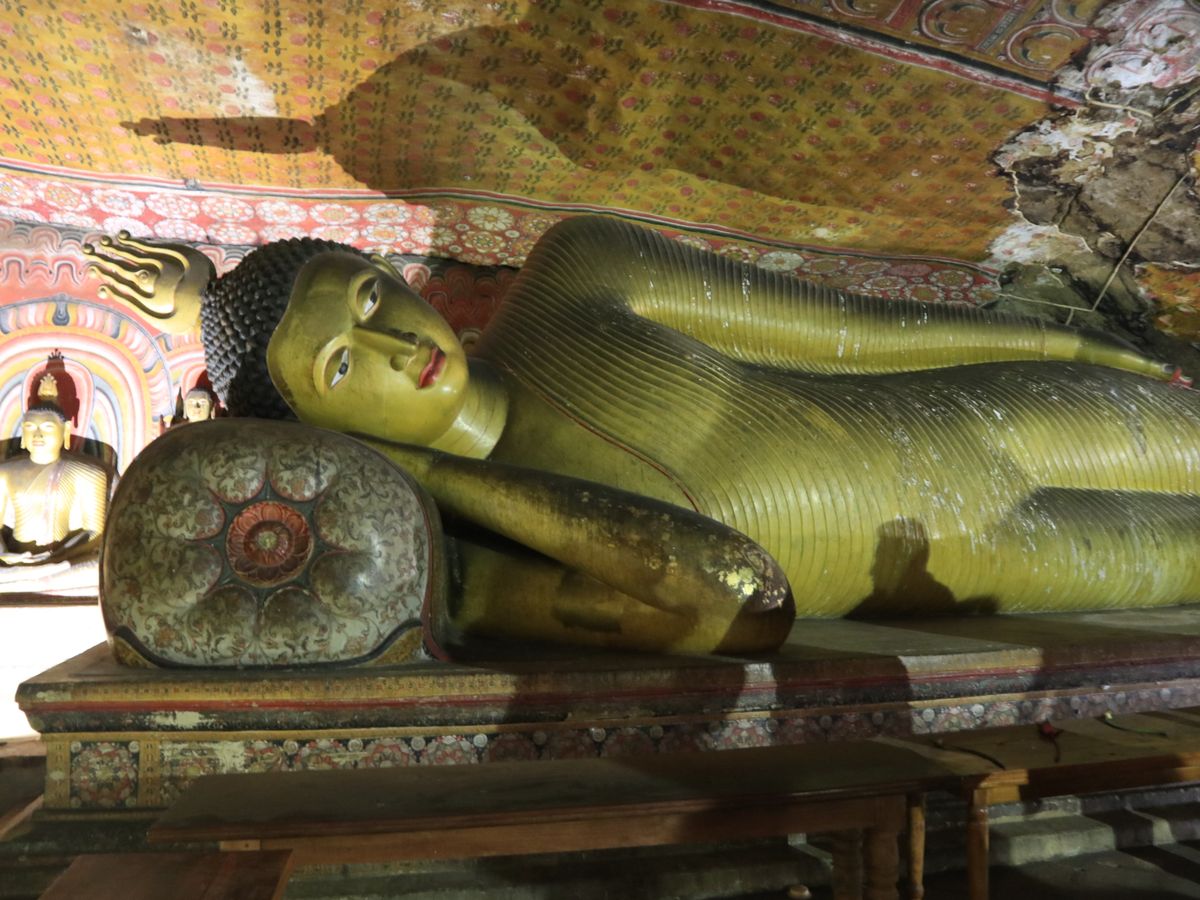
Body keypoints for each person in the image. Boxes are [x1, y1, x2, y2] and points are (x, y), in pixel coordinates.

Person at [84, 216, 1200, 652]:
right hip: (988, 553)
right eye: (341, 367)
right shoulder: (485, 555)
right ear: (325, 431)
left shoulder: (576, 272)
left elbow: (857, 332)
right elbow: (735, 599)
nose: (393, 345)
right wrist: (407, 468)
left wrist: (1063, 348)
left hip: (988, 412)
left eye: (373, 297)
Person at [0, 376, 111, 595]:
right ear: (22, 433)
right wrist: (4, 553)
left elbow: (96, 534)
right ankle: (32, 579)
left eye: (47, 427)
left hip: (65, 562)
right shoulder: (5, 472)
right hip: (15, 564)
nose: (37, 434)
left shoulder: (89, 473)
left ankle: (34, 579)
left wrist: (55, 558)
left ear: (65, 430)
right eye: (30, 427)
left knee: (99, 569)